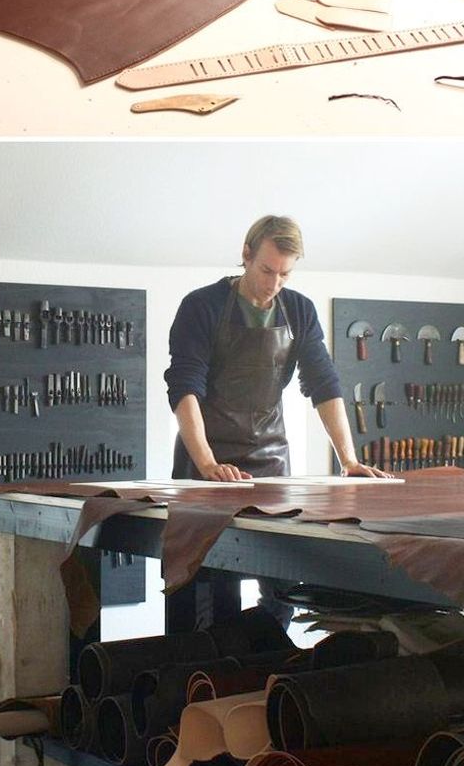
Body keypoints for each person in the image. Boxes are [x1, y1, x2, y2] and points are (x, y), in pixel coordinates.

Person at [165, 214, 389, 624]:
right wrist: (208, 464)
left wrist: (348, 459)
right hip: (205, 468)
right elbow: (184, 388)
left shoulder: (298, 311)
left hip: (270, 465)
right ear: (246, 255)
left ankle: (268, 660)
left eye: (284, 274)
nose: (273, 284)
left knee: (283, 582)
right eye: (267, 270)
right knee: (205, 590)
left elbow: (324, 384)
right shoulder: (202, 306)